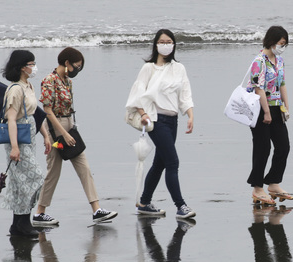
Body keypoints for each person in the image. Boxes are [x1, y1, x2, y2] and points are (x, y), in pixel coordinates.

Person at [33, 47, 117, 226]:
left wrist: (70, 130)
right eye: (76, 66)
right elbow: (47, 111)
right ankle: (40, 213)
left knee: (84, 167)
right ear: (66, 63)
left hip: (69, 125)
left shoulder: (67, 82)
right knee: (54, 171)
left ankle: (97, 210)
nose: (77, 70)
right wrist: (62, 134)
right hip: (55, 130)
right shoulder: (49, 81)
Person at [126, 29, 196, 219]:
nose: (166, 44)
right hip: (156, 121)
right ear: (156, 44)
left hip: (173, 120)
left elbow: (185, 94)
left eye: (169, 41)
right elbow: (138, 94)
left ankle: (144, 202)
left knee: (160, 163)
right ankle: (181, 206)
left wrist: (190, 115)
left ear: (173, 44)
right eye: (162, 41)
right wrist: (143, 114)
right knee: (173, 162)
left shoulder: (178, 68)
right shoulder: (148, 68)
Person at [0, 50, 51, 238]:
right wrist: (14, 147)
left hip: (29, 136)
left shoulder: (28, 85)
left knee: (22, 182)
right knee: (34, 177)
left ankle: (18, 225)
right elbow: (11, 119)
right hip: (18, 138)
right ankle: (23, 221)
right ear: (22, 67)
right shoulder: (15, 89)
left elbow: (35, 113)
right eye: (31, 63)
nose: (34, 67)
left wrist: (45, 135)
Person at [246, 26, 292, 205]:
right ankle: (257, 188)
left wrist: (286, 106)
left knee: (283, 146)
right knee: (262, 148)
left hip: (276, 107)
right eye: (281, 43)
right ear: (272, 41)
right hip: (260, 108)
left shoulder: (279, 61)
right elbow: (259, 88)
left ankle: (273, 183)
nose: (282, 47)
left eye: (284, 44)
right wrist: (266, 112)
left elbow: (282, 84)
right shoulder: (259, 61)